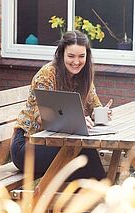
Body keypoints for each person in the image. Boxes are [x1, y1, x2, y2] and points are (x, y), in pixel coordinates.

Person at [11, 30, 109, 181]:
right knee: (81, 151)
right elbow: (40, 116)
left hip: (57, 143)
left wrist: (100, 113)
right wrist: (76, 119)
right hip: (27, 145)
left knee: (82, 152)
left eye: (81, 56)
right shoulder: (47, 74)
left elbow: (95, 104)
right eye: (71, 56)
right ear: (61, 53)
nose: (76, 62)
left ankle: (94, 197)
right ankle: (103, 195)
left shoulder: (83, 76)